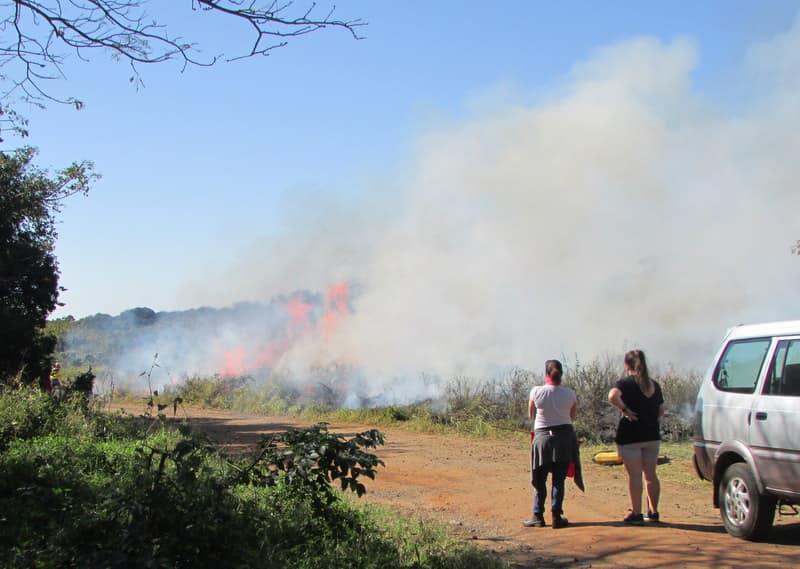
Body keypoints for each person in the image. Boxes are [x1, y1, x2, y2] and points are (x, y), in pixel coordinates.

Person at [608, 349, 665, 524]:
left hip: (631, 436)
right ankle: (653, 512)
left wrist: (624, 410)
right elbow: (661, 410)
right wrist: (651, 420)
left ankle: (637, 513)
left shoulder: (625, 383)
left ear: (627, 365)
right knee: (651, 475)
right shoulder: (653, 384)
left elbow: (612, 396)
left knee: (635, 476)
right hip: (652, 435)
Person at [523, 359, 579, 529]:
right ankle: (556, 516)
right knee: (558, 480)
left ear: (546, 374)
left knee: (539, 480)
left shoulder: (536, 391)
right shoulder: (570, 394)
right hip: (563, 439)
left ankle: (537, 515)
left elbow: (531, 415)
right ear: (561, 374)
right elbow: (572, 417)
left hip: (542, 440)